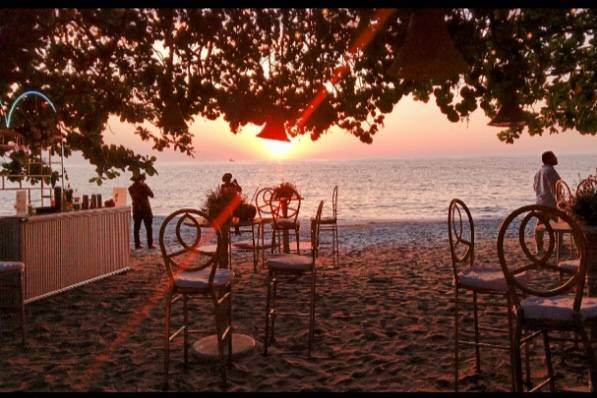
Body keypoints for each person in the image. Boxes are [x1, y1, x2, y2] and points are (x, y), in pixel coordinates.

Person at [533, 151, 561, 254]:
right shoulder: (550, 171)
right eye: (554, 156)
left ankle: (539, 248)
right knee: (560, 224)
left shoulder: (538, 172)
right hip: (551, 204)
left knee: (539, 226)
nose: (556, 158)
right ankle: (559, 247)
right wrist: (561, 202)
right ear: (549, 159)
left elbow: (535, 188)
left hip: (540, 203)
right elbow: (555, 189)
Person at [129, 173, 155, 249]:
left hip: (136, 209)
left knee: (136, 228)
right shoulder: (144, 186)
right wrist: (145, 186)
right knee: (148, 228)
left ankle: (137, 244)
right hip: (145, 209)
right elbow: (152, 195)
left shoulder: (130, 188)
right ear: (141, 179)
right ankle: (150, 244)